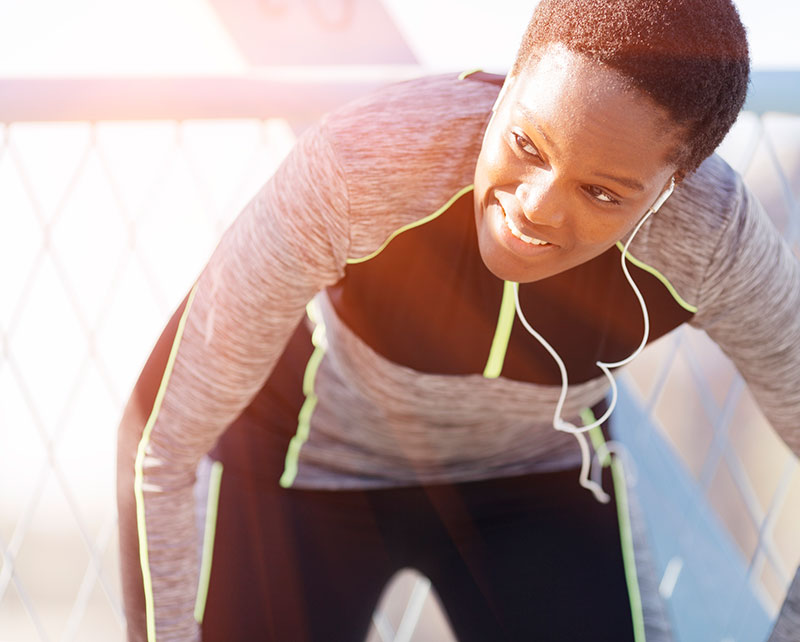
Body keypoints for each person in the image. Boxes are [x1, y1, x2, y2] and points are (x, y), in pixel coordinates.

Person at [116, 0, 800, 640]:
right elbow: (161, 444)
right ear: (506, 85)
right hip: (304, 465)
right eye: (529, 144)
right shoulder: (361, 165)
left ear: (673, 186)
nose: (536, 207)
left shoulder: (714, 240)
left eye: (600, 192)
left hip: (535, 481)